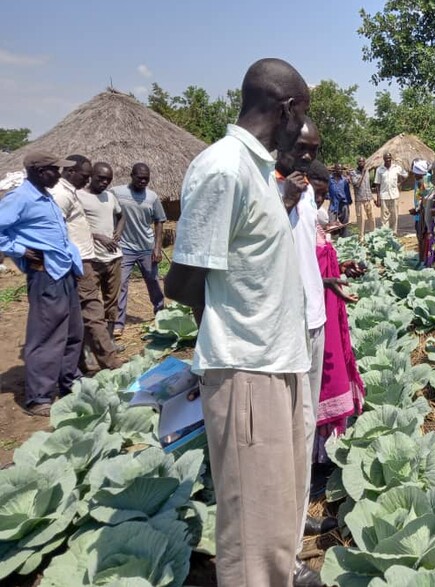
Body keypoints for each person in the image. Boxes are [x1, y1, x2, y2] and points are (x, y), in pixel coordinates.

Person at [164, 58, 315, 587]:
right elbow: (181, 281)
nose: (302, 128)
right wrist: (226, 337)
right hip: (247, 368)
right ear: (288, 108)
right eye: (304, 114)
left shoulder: (255, 169)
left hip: (273, 360)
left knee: (273, 517)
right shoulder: (224, 167)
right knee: (251, 529)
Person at [274, 115, 339, 554]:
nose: (309, 157)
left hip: (312, 319)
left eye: (315, 149)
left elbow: (304, 252)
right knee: (284, 435)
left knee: (302, 428)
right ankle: (284, 545)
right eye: (302, 148)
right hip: (286, 328)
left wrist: (331, 278)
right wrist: (281, 198)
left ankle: (296, 523)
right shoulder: (267, 187)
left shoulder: (299, 191)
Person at [0, 151, 83, 417]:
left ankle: (69, 382)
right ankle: (39, 397)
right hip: (46, 275)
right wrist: (19, 249)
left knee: (72, 332)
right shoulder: (20, 198)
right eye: (54, 170)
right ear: (38, 171)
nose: (59, 174)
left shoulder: (45, 196)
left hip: (63, 271)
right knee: (46, 336)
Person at [308, 161, 365, 463]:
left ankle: (328, 448)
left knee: (332, 364)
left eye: (321, 195)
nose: (319, 200)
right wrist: (333, 282)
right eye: (315, 193)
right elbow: (303, 271)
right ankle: (317, 454)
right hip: (313, 305)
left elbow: (323, 260)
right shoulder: (297, 217)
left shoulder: (314, 214)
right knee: (322, 373)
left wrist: (341, 271)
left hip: (328, 300)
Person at [50, 155, 123, 371]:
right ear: (70, 172)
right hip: (81, 260)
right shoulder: (63, 195)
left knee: (93, 309)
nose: (89, 180)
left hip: (94, 259)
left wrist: (116, 233)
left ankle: (81, 362)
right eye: (87, 176)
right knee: (92, 310)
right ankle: (109, 361)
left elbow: (120, 216)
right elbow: (55, 228)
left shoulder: (77, 194)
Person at [112, 163, 166, 337]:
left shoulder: (152, 196)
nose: (143, 181)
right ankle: (118, 323)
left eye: (146, 178)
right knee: (121, 285)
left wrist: (157, 247)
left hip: (146, 248)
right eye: (140, 178)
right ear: (131, 175)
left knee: (153, 282)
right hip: (124, 248)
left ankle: (161, 314)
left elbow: (159, 220)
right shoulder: (116, 192)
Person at [79, 162, 126, 349]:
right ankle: (89, 345)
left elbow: (122, 216)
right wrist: (98, 236)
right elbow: (73, 227)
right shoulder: (80, 197)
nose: (105, 182)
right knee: (90, 303)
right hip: (92, 259)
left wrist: (118, 231)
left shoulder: (110, 196)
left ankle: (109, 342)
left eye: (108, 179)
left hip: (113, 258)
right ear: (91, 176)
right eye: (101, 178)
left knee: (111, 301)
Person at [373, 152, 407, 233]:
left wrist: (400, 183)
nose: (388, 160)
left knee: (394, 216)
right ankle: (386, 234)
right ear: (384, 159)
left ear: (391, 159)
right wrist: (378, 198)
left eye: (389, 158)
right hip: (384, 196)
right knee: (384, 217)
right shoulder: (379, 170)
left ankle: (393, 233)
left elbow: (405, 175)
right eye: (386, 159)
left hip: (394, 195)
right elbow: (377, 184)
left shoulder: (397, 168)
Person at [409, 159, 432, 262]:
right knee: (421, 236)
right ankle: (422, 259)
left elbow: (424, 200)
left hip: (423, 214)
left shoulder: (425, 182)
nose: (414, 176)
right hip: (420, 213)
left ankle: (423, 260)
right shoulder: (422, 180)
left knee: (422, 237)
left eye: (415, 174)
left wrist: (417, 210)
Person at [350, 156, 374, 237]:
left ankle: (373, 235)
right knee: (361, 220)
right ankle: (361, 238)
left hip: (369, 198)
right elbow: (356, 185)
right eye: (360, 162)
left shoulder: (367, 171)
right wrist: (362, 174)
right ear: (357, 163)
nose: (361, 163)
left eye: (363, 161)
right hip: (360, 200)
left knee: (372, 218)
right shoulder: (353, 173)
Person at [328, 163, 352, 237]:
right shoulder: (330, 179)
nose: (340, 170)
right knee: (331, 223)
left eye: (341, 169)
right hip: (333, 203)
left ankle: (344, 238)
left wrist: (349, 200)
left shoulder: (344, 180)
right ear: (335, 170)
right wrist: (328, 196)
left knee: (344, 223)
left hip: (343, 203)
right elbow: (326, 189)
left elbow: (347, 191)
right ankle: (332, 239)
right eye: (338, 169)